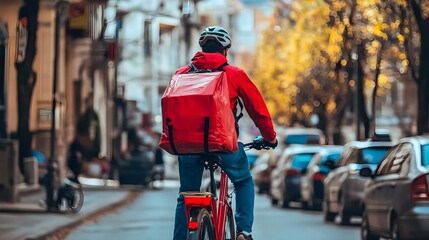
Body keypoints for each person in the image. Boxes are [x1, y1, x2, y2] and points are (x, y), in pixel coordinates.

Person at [173, 26, 278, 240]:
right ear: (225, 51)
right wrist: (269, 138)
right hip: (223, 145)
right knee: (243, 181)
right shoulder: (234, 74)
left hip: (187, 145)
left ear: (201, 48)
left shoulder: (181, 75)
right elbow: (258, 111)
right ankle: (243, 232)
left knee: (186, 196)